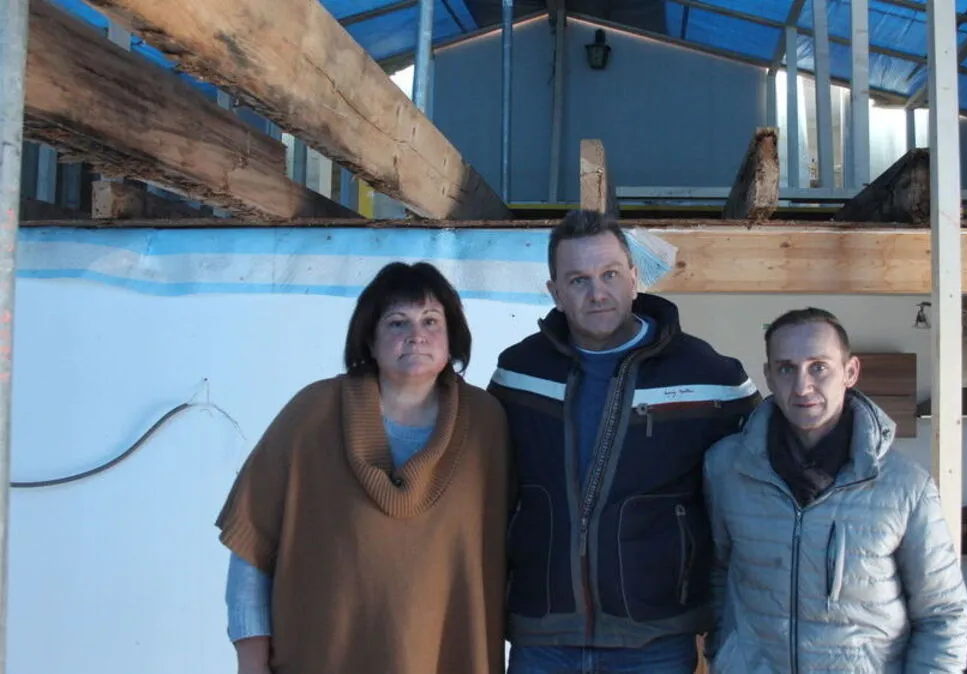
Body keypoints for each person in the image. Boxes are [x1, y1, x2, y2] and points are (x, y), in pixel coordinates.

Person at [488, 210, 761, 674]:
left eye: (610, 274)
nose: (597, 293)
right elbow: (490, 481)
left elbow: (762, 482)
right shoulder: (519, 372)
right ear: (555, 293)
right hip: (543, 634)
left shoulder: (710, 377)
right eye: (578, 280)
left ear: (634, 279)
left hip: (654, 635)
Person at [215, 262, 511, 674]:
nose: (416, 335)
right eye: (396, 322)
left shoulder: (487, 424)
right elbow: (251, 548)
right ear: (369, 340)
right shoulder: (312, 415)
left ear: (452, 337)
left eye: (430, 320)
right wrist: (250, 660)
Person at [703, 307, 967, 673]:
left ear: (850, 372)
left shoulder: (906, 485)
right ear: (767, 375)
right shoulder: (725, 468)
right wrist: (725, 655)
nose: (802, 386)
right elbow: (717, 575)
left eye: (819, 367)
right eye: (786, 368)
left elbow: (943, 614)